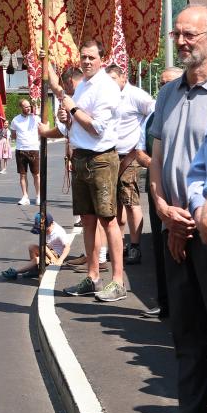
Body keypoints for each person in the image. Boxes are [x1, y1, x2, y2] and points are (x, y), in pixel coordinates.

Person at [139, 6, 207, 413]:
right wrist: (164, 209)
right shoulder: (167, 93)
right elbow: (157, 159)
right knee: (185, 328)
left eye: (190, 34)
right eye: (177, 34)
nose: (182, 41)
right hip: (175, 227)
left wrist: (197, 213)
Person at [52, 39, 125, 303]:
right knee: (87, 220)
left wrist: (72, 108)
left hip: (102, 159)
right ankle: (93, 276)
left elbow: (97, 127)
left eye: (91, 57)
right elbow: (75, 123)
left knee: (108, 219)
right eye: (83, 57)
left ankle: (117, 280)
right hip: (81, 157)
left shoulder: (106, 87)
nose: (86, 61)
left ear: (101, 59)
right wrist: (66, 118)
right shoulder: (82, 85)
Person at [136, 67, 183, 319]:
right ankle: (164, 303)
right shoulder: (154, 116)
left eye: (170, 82)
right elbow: (141, 150)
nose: (164, 87)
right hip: (158, 191)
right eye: (162, 83)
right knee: (161, 247)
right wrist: (153, 163)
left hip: (183, 191)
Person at [105, 64, 155, 264]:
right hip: (110, 154)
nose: (110, 84)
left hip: (130, 155)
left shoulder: (136, 95)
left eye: (113, 79)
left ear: (123, 77)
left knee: (131, 202)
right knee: (114, 204)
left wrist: (141, 141)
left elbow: (154, 114)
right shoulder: (107, 96)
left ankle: (135, 247)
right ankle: (119, 244)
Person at [1, 212, 71, 280]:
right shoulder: (45, 227)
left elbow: (67, 247)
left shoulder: (59, 232)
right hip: (48, 249)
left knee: (37, 260)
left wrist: (60, 260)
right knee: (31, 247)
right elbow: (43, 245)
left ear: (51, 224)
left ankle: (16, 271)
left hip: (56, 254)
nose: (42, 231)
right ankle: (35, 270)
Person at [10, 98, 40, 205]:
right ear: (21, 107)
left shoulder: (36, 118)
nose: (28, 108)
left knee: (36, 174)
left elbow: (43, 129)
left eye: (29, 106)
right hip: (21, 150)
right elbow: (13, 135)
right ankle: (25, 196)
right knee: (22, 175)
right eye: (25, 106)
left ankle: (38, 196)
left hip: (33, 149)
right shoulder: (15, 120)